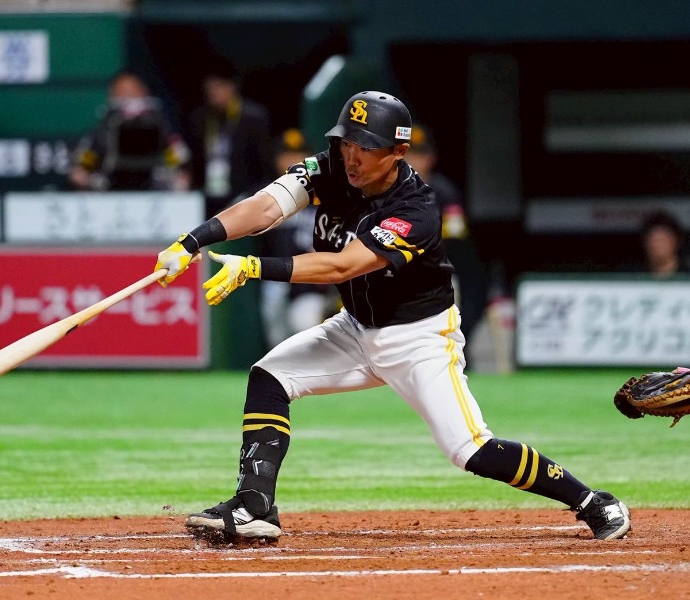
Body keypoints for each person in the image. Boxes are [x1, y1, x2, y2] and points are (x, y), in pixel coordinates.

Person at [154, 91, 631, 543]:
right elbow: (265, 207)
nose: (352, 156)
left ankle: (592, 501)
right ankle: (254, 505)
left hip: (418, 338)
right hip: (355, 327)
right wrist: (192, 241)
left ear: (398, 152)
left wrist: (254, 267)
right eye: (347, 142)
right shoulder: (330, 169)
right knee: (270, 376)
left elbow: (344, 266)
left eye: (367, 147)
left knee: (470, 449)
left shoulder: (415, 208)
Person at [404, 123, 487, 344]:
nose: (413, 161)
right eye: (408, 154)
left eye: (419, 155)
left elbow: (455, 237)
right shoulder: (384, 191)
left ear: (430, 158)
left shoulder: (445, 192)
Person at [259, 128, 335, 349]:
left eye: (299, 154)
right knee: (276, 337)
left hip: (309, 281)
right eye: (287, 155)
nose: (292, 160)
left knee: (305, 324)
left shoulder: (326, 194)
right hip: (273, 277)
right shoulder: (265, 195)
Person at [69, 70, 191, 192]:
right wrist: (83, 171)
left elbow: (177, 154)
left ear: (143, 91)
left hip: (153, 186)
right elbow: (88, 156)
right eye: (122, 92)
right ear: (112, 95)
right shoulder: (104, 128)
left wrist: (178, 173)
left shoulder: (159, 124)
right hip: (111, 186)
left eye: (132, 91)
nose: (128, 96)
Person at [187, 61, 273, 218]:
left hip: (242, 194)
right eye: (210, 89)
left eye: (218, 87)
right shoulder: (201, 118)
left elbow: (263, 162)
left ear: (231, 87)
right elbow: (196, 157)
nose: (214, 93)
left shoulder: (253, 117)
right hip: (208, 193)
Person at [631, 210, 690, 277]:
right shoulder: (633, 276)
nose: (658, 245)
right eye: (654, 240)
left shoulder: (687, 275)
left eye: (664, 239)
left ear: (677, 241)